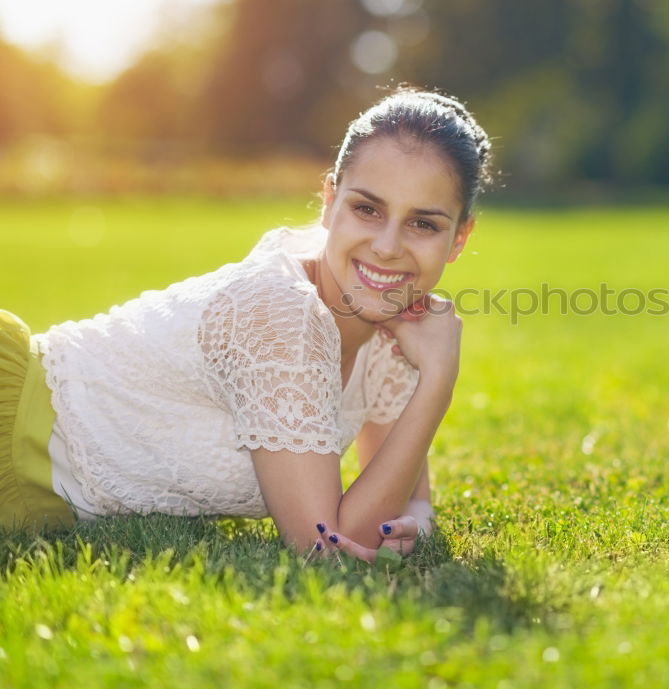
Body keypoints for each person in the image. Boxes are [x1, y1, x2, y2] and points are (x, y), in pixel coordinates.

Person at [0, 86, 492, 562]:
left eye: (423, 223)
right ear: (329, 201)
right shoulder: (280, 312)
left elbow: (407, 501)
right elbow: (329, 546)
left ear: (459, 238)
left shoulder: (398, 321)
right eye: (367, 208)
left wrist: (419, 516)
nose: (387, 246)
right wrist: (439, 381)